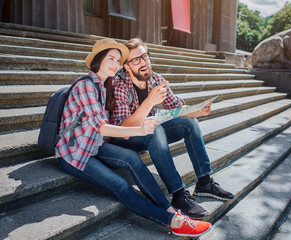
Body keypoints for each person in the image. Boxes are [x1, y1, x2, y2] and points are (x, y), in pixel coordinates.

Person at [55, 38, 212, 237]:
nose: (115, 65)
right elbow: (102, 128)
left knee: (132, 159)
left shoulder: (102, 86)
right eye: (110, 59)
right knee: (120, 185)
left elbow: (98, 129)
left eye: (118, 60)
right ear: (98, 60)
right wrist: (139, 130)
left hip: (94, 145)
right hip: (75, 153)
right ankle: (173, 220)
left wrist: (197, 111)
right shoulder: (86, 86)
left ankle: (174, 211)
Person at [110, 38, 234, 220]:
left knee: (188, 123)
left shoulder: (156, 79)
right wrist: (149, 102)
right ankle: (178, 194)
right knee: (155, 127)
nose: (143, 63)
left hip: (148, 134)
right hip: (125, 139)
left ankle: (205, 183)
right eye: (136, 60)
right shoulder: (119, 84)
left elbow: (177, 107)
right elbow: (122, 126)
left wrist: (197, 111)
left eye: (145, 56)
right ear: (127, 67)